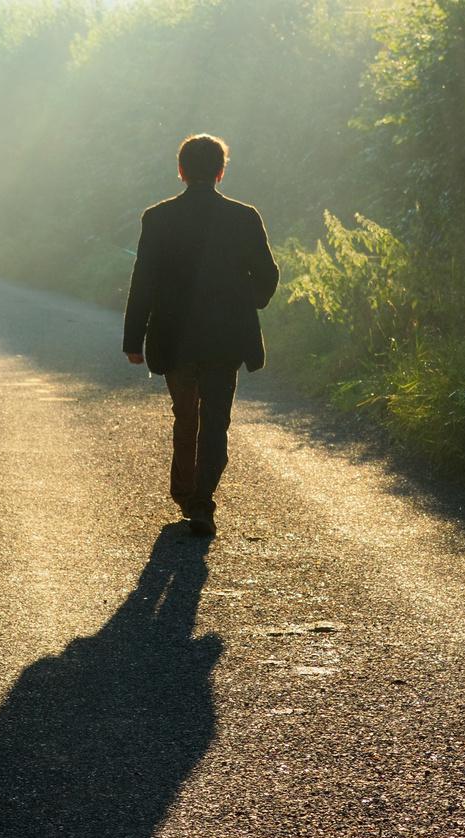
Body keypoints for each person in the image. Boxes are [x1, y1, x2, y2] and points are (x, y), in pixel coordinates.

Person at [123, 133, 279, 536]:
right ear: (221, 172)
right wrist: (248, 301)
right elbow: (267, 275)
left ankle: (185, 492)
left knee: (186, 415)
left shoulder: (157, 218)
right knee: (215, 421)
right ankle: (201, 501)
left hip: (174, 338)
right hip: (226, 337)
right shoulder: (245, 217)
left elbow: (144, 282)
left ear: (180, 171)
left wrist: (133, 339)